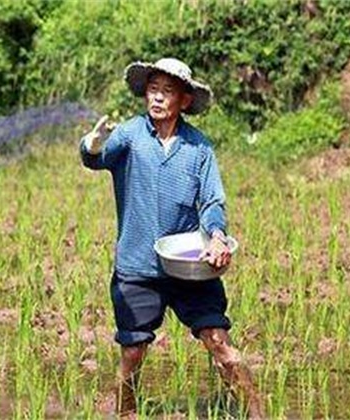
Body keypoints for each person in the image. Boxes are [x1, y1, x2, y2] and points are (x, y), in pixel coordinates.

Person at [79, 58, 265, 418]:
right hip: (137, 266)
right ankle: (125, 413)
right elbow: (95, 160)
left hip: (188, 267)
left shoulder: (199, 148)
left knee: (220, 344)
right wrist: (93, 143)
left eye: (167, 92)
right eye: (153, 90)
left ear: (184, 100)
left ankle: (257, 413)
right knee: (133, 354)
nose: (158, 99)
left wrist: (217, 237)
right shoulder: (130, 136)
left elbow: (212, 201)